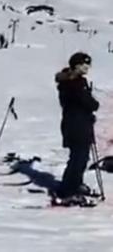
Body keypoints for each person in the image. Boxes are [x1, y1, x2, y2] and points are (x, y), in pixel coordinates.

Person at [55, 52, 99, 205]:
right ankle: (68, 190)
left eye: (88, 64)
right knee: (78, 158)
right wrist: (90, 105)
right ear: (76, 65)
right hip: (76, 125)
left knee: (81, 157)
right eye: (84, 64)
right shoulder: (74, 83)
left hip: (78, 123)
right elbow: (90, 103)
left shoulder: (74, 81)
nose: (87, 67)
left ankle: (75, 184)